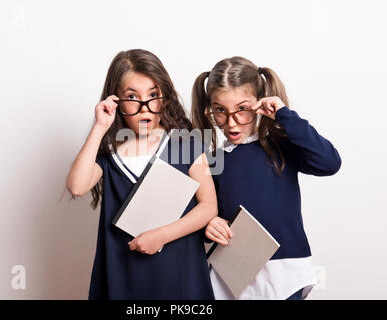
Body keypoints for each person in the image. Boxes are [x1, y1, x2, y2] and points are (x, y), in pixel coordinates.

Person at [66, 49, 216, 300]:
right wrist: (100, 127)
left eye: (153, 95)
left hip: (178, 272)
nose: (144, 106)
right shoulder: (110, 153)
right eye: (132, 96)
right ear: (117, 100)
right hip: (122, 274)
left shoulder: (184, 144)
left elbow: (208, 206)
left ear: (164, 97)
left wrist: (161, 236)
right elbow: (77, 186)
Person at [191, 56, 341, 300]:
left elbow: (329, 162)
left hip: (285, 270)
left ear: (260, 102)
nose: (231, 122)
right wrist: (210, 224)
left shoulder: (282, 146)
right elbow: (202, 211)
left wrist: (284, 115)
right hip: (232, 270)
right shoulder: (210, 161)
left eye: (242, 109)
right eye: (220, 111)